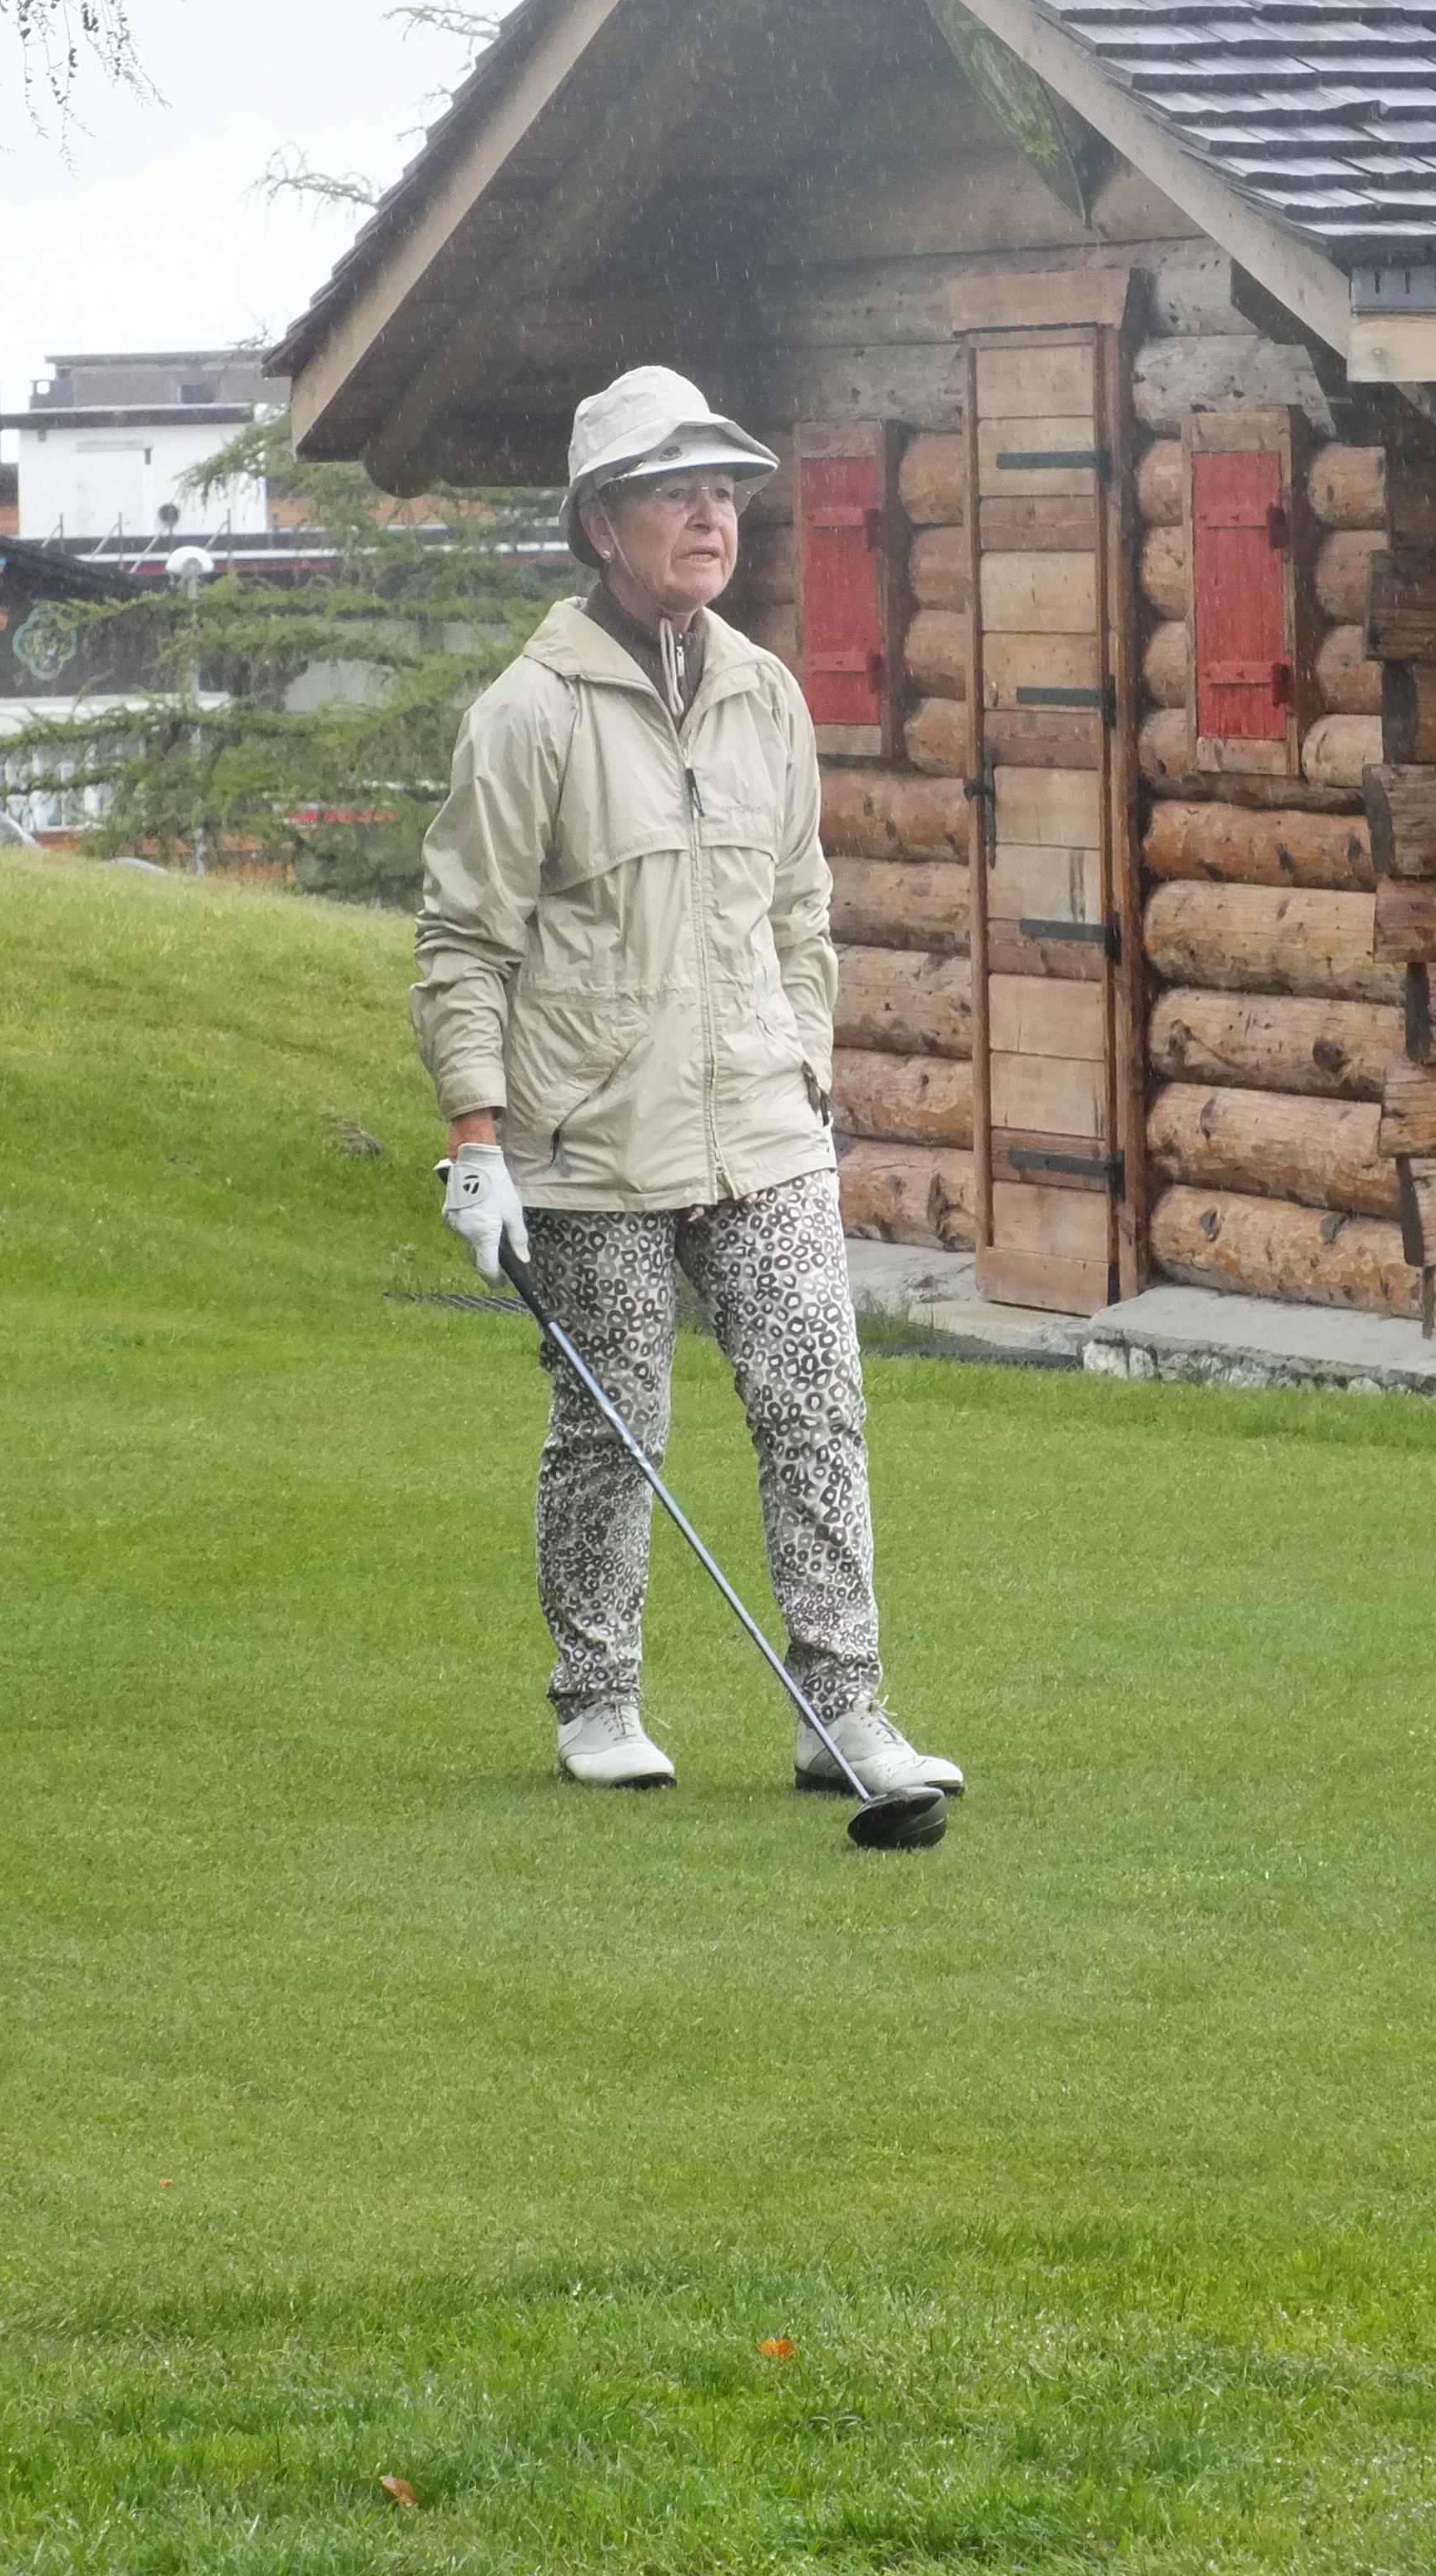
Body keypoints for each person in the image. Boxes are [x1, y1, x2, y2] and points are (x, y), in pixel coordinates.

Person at [413, 366, 962, 1800]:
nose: (713, 519)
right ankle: (598, 1703)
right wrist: (477, 1140)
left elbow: (799, 907)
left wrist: (806, 1067)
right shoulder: (528, 713)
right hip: (592, 1140)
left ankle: (844, 1713)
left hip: (765, 1127)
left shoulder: (764, 694)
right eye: (679, 495)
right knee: (612, 1430)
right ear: (604, 524)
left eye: (725, 493)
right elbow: (465, 939)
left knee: (817, 1404)